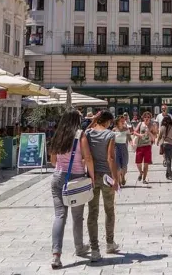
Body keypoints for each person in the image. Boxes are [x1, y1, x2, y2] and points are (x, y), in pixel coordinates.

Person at [48, 110, 95, 269]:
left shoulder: (58, 135)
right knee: (77, 216)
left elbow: (53, 161)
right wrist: (92, 177)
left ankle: (56, 255)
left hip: (57, 178)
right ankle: (79, 247)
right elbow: (88, 158)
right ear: (77, 121)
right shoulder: (80, 135)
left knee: (59, 215)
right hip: (76, 179)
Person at [80, 111, 119, 262]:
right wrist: (115, 178)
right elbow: (110, 158)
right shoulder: (110, 135)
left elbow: (81, 134)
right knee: (109, 210)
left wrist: (93, 121)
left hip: (92, 175)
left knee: (92, 212)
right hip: (106, 177)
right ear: (108, 121)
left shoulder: (88, 133)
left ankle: (94, 249)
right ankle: (109, 243)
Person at [133, 111, 155, 184]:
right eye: (145, 117)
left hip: (147, 146)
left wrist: (149, 133)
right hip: (139, 146)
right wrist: (140, 135)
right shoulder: (140, 124)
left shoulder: (152, 125)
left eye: (148, 117)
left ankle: (144, 179)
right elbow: (134, 132)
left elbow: (154, 137)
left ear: (150, 118)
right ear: (143, 117)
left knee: (146, 163)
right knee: (138, 163)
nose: (146, 118)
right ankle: (140, 172)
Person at [157, 115, 172, 180]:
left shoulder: (162, 127)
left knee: (167, 160)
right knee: (169, 159)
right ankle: (167, 174)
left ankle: (170, 174)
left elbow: (160, 136)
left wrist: (157, 141)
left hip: (165, 144)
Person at [113, 114, 130, 187]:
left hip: (124, 148)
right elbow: (111, 140)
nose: (123, 121)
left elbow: (129, 138)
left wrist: (133, 144)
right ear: (117, 121)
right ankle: (119, 180)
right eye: (121, 120)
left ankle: (122, 176)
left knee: (124, 165)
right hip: (116, 148)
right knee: (118, 166)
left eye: (124, 120)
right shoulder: (114, 130)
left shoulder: (126, 129)